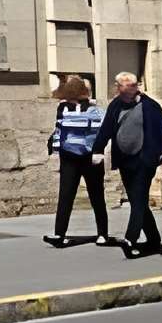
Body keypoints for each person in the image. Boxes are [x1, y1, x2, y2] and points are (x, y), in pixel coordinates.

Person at [104, 71, 162, 258]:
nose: (120, 90)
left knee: (138, 200)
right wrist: (97, 150)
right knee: (137, 200)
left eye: (124, 86)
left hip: (145, 159)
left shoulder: (150, 106)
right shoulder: (115, 105)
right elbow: (106, 128)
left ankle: (131, 239)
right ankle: (154, 239)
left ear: (134, 87)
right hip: (125, 161)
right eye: (118, 86)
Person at [44, 73, 112, 247]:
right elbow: (60, 129)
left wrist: (98, 151)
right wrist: (55, 143)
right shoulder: (63, 109)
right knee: (65, 196)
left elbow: (101, 131)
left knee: (97, 196)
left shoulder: (96, 111)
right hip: (69, 157)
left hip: (91, 157)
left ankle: (103, 233)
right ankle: (59, 234)